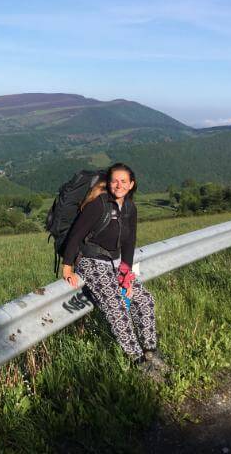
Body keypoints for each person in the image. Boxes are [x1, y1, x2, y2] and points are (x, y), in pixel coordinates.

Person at [61, 162, 168, 379]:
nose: (118, 185)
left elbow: (129, 243)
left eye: (123, 181)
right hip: (91, 261)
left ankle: (150, 351)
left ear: (131, 184)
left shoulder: (129, 208)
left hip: (115, 263)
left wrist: (126, 276)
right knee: (116, 306)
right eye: (114, 181)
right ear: (109, 183)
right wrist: (67, 266)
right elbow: (75, 235)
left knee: (145, 299)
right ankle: (138, 362)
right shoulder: (98, 205)